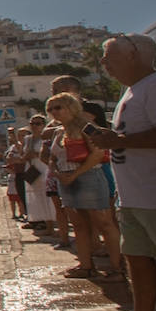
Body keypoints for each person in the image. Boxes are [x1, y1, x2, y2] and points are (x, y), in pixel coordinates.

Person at [87, 34, 156, 311]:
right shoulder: (133, 92)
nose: (104, 64)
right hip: (134, 194)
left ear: (134, 55)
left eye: (109, 57)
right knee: (137, 259)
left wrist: (119, 141)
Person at [45, 93, 121, 282]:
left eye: (58, 107)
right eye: (51, 109)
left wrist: (75, 175)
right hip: (66, 179)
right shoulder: (58, 132)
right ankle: (86, 265)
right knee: (79, 225)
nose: (54, 112)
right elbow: (52, 157)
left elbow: (98, 154)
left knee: (103, 222)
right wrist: (57, 173)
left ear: (71, 107)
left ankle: (117, 267)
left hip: (88, 177)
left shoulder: (87, 127)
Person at [19, 116, 57, 237]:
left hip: (44, 168)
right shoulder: (27, 139)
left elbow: (51, 153)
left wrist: (35, 154)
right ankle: (45, 224)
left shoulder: (47, 137)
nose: (34, 126)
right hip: (31, 169)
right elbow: (22, 154)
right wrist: (25, 156)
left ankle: (54, 225)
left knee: (48, 197)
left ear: (43, 124)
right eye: (32, 123)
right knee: (37, 197)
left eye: (38, 123)